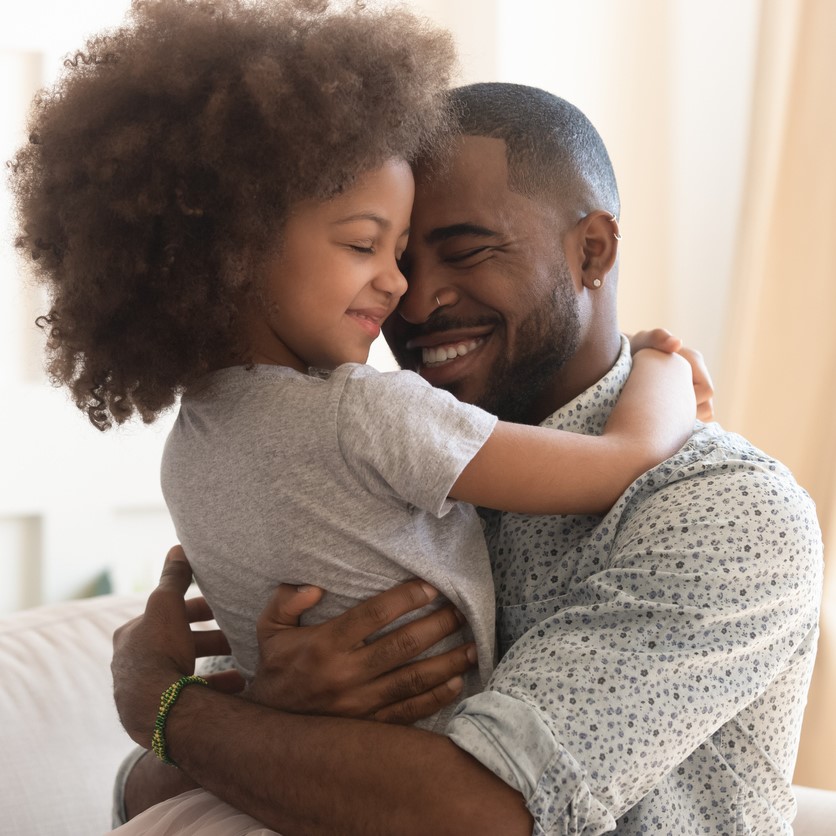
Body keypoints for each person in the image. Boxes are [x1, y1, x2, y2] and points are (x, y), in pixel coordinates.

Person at [11, 2, 700, 832]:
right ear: (237, 247)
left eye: (452, 248)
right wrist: (663, 364)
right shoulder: (368, 415)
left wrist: (188, 705)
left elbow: (177, 769)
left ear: (593, 248)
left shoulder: (190, 449)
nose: (406, 288)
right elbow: (630, 455)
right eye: (367, 245)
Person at [109, 81, 823, 835]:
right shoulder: (352, 454)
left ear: (593, 250)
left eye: (468, 252)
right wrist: (255, 712)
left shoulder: (724, 510)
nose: (410, 304)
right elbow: (145, 795)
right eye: (382, 253)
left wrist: (164, 707)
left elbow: (484, 815)